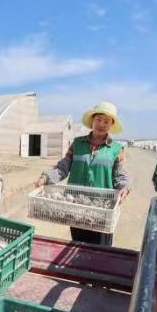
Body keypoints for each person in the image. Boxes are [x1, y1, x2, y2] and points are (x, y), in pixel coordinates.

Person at [34, 102, 130, 246]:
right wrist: (46, 177)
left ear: (111, 125)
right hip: (76, 206)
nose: (102, 124)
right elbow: (63, 167)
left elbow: (120, 175)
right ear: (92, 121)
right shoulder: (77, 144)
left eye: (106, 121)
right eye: (98, 120)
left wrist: (124, 187)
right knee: (78, 245)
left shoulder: (117, 149)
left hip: (102, 209)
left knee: (101, 249)